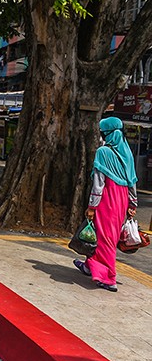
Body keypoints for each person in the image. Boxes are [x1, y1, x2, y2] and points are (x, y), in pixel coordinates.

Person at [74, 117, 137, 292]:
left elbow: (98, 183)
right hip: (122, 199)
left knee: (105, 238)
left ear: (107, 133)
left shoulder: (103, 152)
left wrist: (92, 206)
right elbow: (132, 181)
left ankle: (109, 278)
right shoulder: (127, 152)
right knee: (106, 235)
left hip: (107, 199)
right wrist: (133, 204)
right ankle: (89, 266)